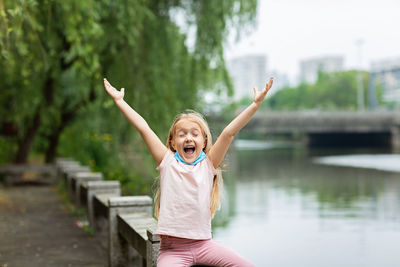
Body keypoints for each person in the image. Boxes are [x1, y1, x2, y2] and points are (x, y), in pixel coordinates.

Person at [103, 76, 273, 267]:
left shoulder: (208, 165)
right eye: (182, 134)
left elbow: (228, 133)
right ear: (173, 143)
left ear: (204, 141)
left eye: (194, 134)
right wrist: (120, 102)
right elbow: (144, 128)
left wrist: (255, 105)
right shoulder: (167, 162)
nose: (188, 138)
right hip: (172, 251)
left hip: (204, 246)